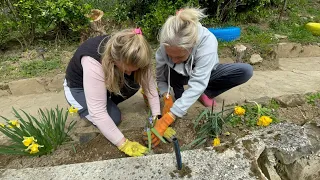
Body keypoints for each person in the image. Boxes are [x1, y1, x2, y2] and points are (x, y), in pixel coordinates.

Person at [152, 7, 253, 146]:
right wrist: (165, 95)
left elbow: (198, 82)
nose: (174, 60)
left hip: (205, 73)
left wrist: (169, 117)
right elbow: (161, 78)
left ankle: (205, 92)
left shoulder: (208, 43)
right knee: (180, 100)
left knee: (245, 71)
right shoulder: (164, 47)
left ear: (192, 46)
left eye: (179, 56)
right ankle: (182, 93)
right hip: (178, 76)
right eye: (170, 56)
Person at [63, 28, 161, 157]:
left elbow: (150, 88)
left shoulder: (139, 53)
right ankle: (85, 108)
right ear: (114, 59)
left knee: (134, 81)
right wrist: (123, 143)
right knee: (113, 118)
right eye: (127, 69)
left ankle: (104, 97)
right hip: (78, 87)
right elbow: (98, 112)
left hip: (105, 79)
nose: (130, 73)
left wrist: (158, 119)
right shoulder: (93, 60)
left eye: (134, 69)